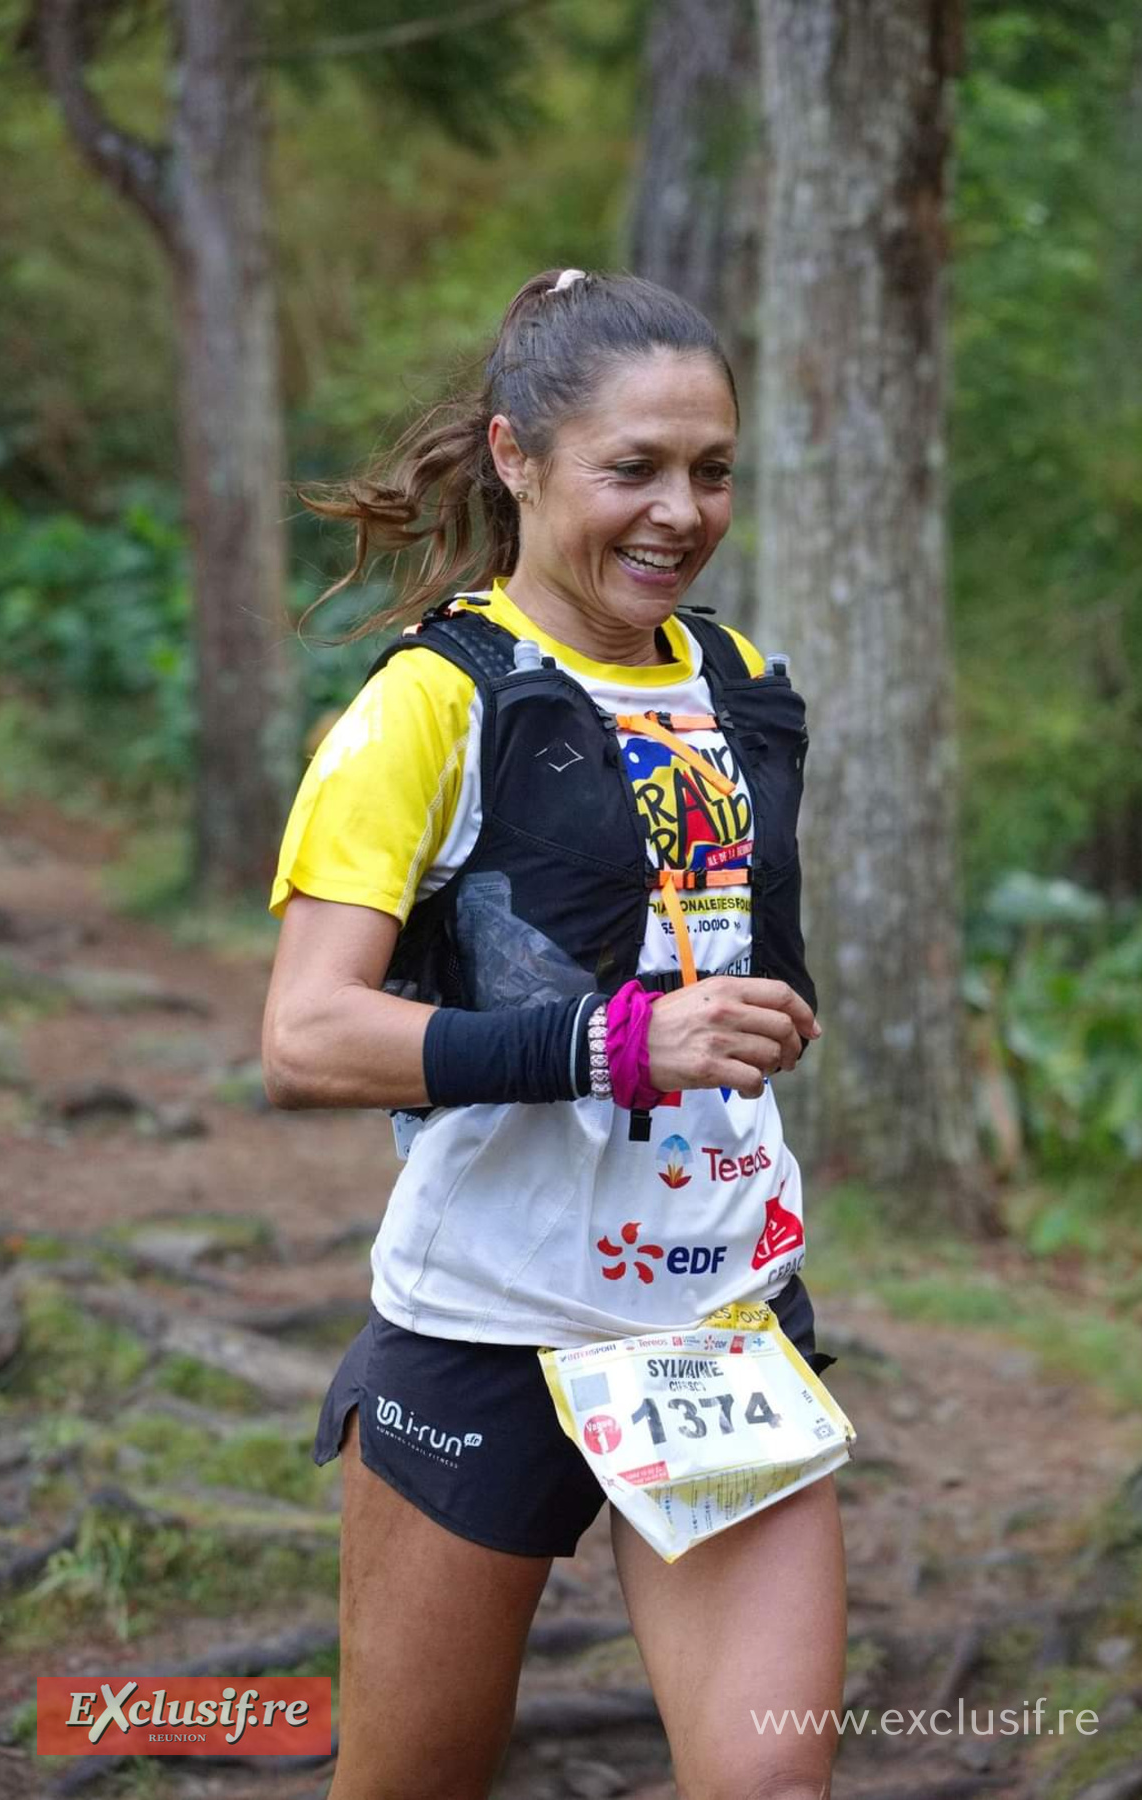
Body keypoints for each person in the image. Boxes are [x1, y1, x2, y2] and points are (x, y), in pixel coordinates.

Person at [262, 269, 847, 1800]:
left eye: (712, 470)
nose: (681, 511)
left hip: (716, 1322)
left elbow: (712, 954)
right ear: (518, 458)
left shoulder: (744, 685)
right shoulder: (430, 707)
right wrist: (611, 1045)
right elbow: (307, 1038)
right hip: (484, 1332)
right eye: (634, 470)